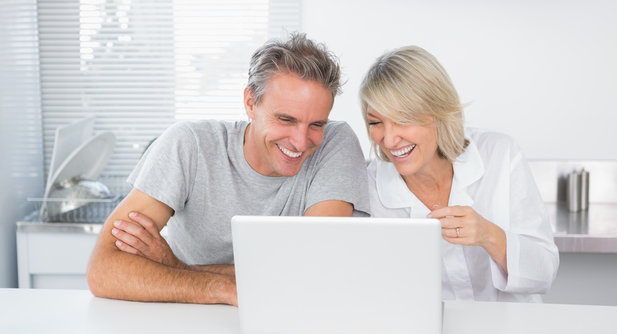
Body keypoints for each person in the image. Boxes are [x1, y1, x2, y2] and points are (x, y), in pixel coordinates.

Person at [87, 33, 370, 306]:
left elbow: (314, 273)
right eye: (285, 119)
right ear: (250, 103)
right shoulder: (190, 144)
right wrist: (223, 288)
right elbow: (104, 270)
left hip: (284, 320)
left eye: (316, 124)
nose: (300, 141)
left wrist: (175, 267)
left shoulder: (336, 144)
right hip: (181, 323)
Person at [360, 46, 558, 302]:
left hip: (513, 333)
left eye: (402, 120)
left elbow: (544, 273)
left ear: (439, 112)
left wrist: (488, 235)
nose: (388, 139)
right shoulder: (370, 189)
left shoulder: (499, 153)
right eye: (375, 123)